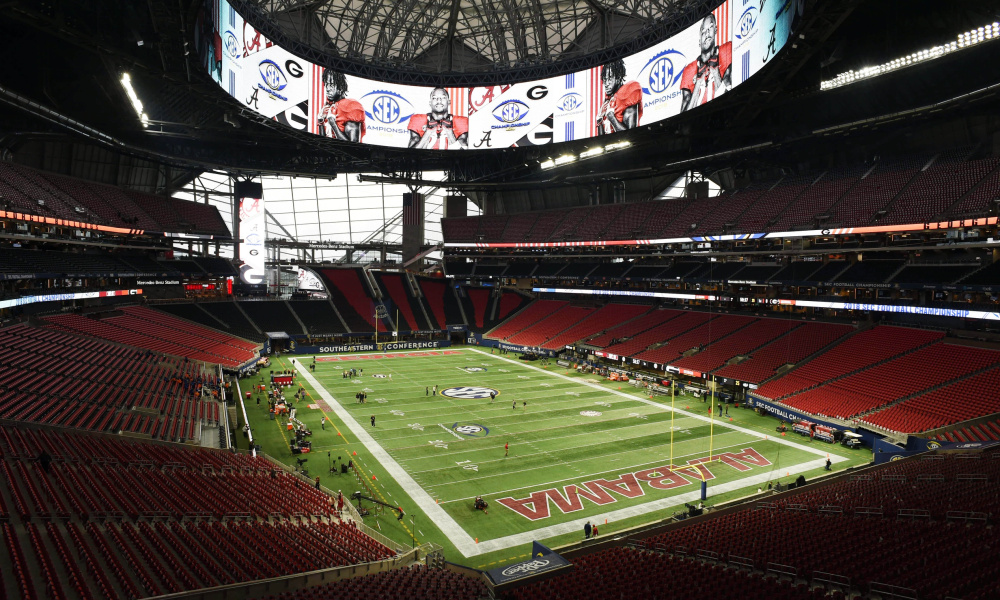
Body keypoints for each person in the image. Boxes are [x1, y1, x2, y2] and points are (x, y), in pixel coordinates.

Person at [680, 13, 732, 112]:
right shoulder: (689, 70)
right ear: (699, 41)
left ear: (716, 30)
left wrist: (715, 71)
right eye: (703, 31)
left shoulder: (726, 50)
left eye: (710, 28)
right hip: (697, 120)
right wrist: (698, 83)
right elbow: (683, 115)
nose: (707, 33)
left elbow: (728, 97)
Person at [595, 58, 642, 134]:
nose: (606, 84)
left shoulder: (628, 94)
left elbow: (630, 134)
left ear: (618, 77)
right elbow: (602, 139)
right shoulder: (607, 101)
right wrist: (599, 119)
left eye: (609, 79)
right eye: (605, 79)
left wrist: (612, 118)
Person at [317, 69, 365, 142]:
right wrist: (320, 121)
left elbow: (353, 145)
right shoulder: (328, 107)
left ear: (341, 87)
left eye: (331, 85)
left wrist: (333, 124)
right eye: (326, 84)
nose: (327, 89)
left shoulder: (350, 106)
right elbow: (322, 142)